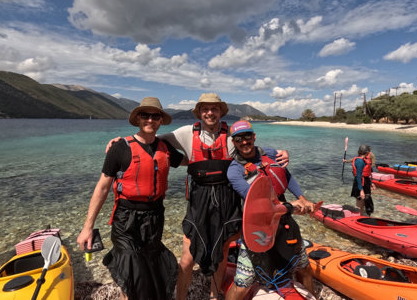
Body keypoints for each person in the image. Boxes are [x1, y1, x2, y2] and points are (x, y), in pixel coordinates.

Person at [105, 93, 289, 299]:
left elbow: (251, 150)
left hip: (227, 199)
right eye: (205, 109)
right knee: (187, 259)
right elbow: (150, 141)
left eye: (214, 109)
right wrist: (121, 141)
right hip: (199, 200)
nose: (210, 113)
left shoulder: (231, 135)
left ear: (221, 112)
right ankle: (181, 297)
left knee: (223, 253)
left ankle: (213, 294)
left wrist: (278, 152)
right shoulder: (185, 133)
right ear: (199, 112)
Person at [77, 97, 185, 300]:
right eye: (145, 115)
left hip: (154, 218)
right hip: (126, 220)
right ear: (138, 119)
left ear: (161, 120)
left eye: (155, 116)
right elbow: (102, 188)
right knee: (132, 272)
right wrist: (87, 227)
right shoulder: (120, 147)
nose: (150, 120)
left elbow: (189, 161)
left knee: (152, 268)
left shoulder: (165, 148)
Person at [224, 120, 316, 300]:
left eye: (247, 136)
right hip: (257, 228)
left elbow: (285, 176)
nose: (244, 142)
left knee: (304, 268)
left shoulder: (272, 154)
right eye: (238, 138)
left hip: (284, 223)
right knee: (243, 282)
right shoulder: (234, 171)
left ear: (254, 136)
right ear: (233, 142)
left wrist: (302, 198)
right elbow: (258, 200)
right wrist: (291, 206)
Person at [348, 144, 376, 216]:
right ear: (367, 152)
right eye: (369, 151)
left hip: (365, 183)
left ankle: (362, 216)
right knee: (360, 203)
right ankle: (357, 219)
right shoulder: (360, 162)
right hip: (360, 184)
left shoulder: (364, 160)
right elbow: (358, 176)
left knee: (364, 202)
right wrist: (361, 190)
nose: (370, 153)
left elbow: (366, 175)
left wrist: (371, 183)